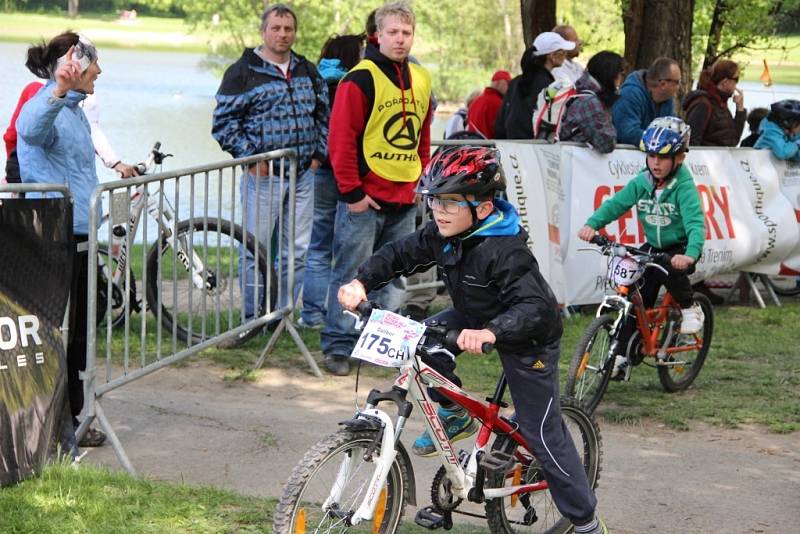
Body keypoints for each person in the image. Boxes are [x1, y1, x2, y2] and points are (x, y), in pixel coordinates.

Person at [337, 145, 608, 534]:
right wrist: (361, 280)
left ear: (481, 208)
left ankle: (586, 522)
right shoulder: (443, 232)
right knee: (422, 347)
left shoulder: (506, 250)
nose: (438, 211)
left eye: (450, 202)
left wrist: (492, 332)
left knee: (542, 434)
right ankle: (454, 413)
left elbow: (534, 307)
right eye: (433, 201)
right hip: (475, 315)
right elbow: (399, 254)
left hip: (527, 333)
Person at [321, 0, 433, 376]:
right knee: (351, 275)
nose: (401, 40)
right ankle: (338, 345)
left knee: (395, 279)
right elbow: (341, 139)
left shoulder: (421, 78)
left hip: (403, 198)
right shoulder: (359, 78)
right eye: (393, 33)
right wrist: (352, 194)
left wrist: (422, 178)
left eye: (407, 33)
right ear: (378, 35)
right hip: (364, 200)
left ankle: (378, 346)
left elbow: (421, 134)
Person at [16, 32, 107, 448]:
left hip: (82, 231)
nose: (100, 72)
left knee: (80, 332)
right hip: (56, 233)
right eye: (94, 64)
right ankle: (51, 426)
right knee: (56, 332)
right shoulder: (44, 101)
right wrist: (58, 88)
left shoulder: (76, 111)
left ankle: (70, 416)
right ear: (74, 65)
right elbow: (28, 131)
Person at [212, 3, 330, 315]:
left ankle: (282, 315)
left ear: (295, 33)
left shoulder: (307, 69)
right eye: (276, 28)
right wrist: (252, 159)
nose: (282, 34)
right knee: (255, 249)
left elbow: (323, 115)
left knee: (298, 250)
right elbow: (224, 124)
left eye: (288, 28)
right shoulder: (243, 72)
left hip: (303, 174)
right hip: (263, 178)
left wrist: (318, 155)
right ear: (264, 31)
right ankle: (253, 317)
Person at [577, 117, 706, 379]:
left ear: (679, 158)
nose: (655, 162)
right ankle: (621, 356)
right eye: (651, 156)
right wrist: (592, 225)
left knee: (670, 270)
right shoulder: (642, 182)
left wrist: (690, 254)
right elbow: (617, 204)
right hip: (654, 245)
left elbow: (695, 224)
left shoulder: (684, 187)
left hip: (681, 247)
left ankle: (691, 306)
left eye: (663, 157)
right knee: (635, 300)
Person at [299, 33, 365, 330]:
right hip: (346, 172)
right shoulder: (352, 84)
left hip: (321, 170)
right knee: (348, 248)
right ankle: (342, 315)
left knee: (319, 246)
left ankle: (311, 315)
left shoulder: (316, 81)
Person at [495, 32, 574, 139]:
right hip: (535, 147)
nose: (565, 56)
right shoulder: (549, 86)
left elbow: (501, 122)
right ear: (552, 56)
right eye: (564, 52)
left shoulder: (515, 82)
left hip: (511, 147)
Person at [560, 51, 624, 153]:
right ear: (611, 75)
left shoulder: (580, 90)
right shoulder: (590, 102)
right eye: (621, 73)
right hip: (574, 162)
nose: (621, 79)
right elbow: (606, 144)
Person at [612, 57, 680, 145]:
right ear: (663, 84)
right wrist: (662, 139)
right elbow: (627, 133)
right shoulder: (630, 94)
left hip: (652, 156)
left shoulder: (667, 99)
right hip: (624, 157)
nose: (679, 87)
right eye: (677, 82)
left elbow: (672, 130)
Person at [683, 59, 746, 147]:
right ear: (725, 82)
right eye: (736, 79)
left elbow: (733, 140)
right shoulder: (703, 104)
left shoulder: (721, 103)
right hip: (704, 160)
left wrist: (740, 110)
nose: (736, 84)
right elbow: (690, 142)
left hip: (721, 159)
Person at [466, 70, 511, 138]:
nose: (509, 87)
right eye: (508, 83)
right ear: (498, 83)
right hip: (489, 146)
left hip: (473, 146)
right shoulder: (498, 103)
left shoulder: (476, 101)